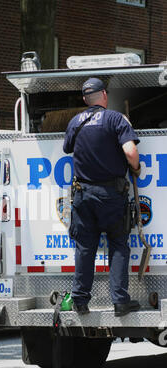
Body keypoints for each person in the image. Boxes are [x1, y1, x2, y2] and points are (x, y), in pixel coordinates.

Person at [63, 77, 141, 317]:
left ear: (85, 99)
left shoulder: (76, 121)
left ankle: (80, 301)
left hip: (83, 195)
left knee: (85, 247)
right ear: (104, 95)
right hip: (110, 195)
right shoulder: (116, 119)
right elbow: (130, 151)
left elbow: (68, 148)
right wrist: (136, 169)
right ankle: (120, 302)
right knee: (118, 245)